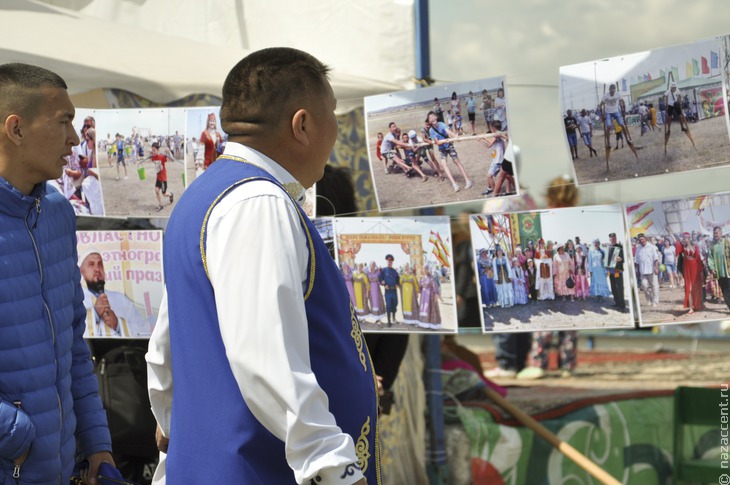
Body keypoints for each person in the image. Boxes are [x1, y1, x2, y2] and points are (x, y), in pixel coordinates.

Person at [146, 48, 378, 484]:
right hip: (255, 470)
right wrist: (332, 466)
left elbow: (166, 342)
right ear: (303, 124)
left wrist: (172, 418)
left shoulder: (206, 194)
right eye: (333, 114)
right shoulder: (258, 202)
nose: (336, 129)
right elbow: (265, 355)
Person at [0, 62, 113, 483]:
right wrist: (16, 435)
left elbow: (72, 344)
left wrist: (97, 445)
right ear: (16, 128)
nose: (73, 138)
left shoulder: (58, 212)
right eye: (64, 121)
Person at [79, 251, 149, 337]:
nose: (97, 269)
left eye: (100, 264)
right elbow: (71, 330)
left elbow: (145, 330)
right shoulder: (76, 299)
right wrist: (95, 313)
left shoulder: (120, 299)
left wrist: (118, 324)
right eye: (91, 264)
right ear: (81, 271)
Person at [427, 110, 473, 192]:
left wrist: (455, 136)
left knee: (457, 161)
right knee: (443, 164)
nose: (432, 118)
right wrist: (444, 141)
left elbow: (448, 132)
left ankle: (468, 180)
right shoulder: (431, 130)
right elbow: (437, 142)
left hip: (449, 146)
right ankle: (454, 184)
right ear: (429, 121)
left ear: (436, 117)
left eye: (433, 116)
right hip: (442, 148)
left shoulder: (441, 124)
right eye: (430, 117)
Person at [667, 230, 704, 314]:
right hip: (687, 269)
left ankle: (697, 304)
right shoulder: (683, 247)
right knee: (689, 288)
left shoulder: (695, 247)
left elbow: (698, 259)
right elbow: (676, 241)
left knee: (696, 287)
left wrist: (701, 271)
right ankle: (691, 308)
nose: (684, 240)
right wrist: (670, 233)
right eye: (683, 238)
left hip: (695, 268)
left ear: (689, 238)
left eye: (686, 238)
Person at [137, 142, 175, 212]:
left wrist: (169, 152)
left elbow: (173, 160)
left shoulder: (162, 157)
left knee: (164, 194)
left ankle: (171, 194)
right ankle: (160, 205)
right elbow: (149, 158)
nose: (153, 151)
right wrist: (149, 152)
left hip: (163, 179)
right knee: (156, 191)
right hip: (158, 178)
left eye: (154, 150)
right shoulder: (153, 157)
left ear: (158, 150)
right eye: (153, 150)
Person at [635, 233, 660, 308]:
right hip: (642, 271)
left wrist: (656, 268)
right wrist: (638, 271)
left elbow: (656, 259)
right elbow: (637, 261)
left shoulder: (652, 247)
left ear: (645, 239)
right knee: (644, 286)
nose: (641, 241)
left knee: (654, 286)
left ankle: (655, 301)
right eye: (639, 240)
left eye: (642, 239)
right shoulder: (638, 248)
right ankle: (649, 299)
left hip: (651, 270)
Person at [708, 226, 730, 311]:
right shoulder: (712, 245)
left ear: (721, 233)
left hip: (728, 270)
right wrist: (712, 268)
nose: (715, 235)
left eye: (717, 233)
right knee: (724, 290)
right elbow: (710, 258)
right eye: (714, 233)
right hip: (718, 271)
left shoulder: (727, 242)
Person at [606, 232, 626, 310]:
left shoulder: (620, 247)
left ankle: (622, 304)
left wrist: (620, 259)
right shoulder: (608, 247)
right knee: (613, 288)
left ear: (616, 238)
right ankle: (617, 303)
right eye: (612, 238)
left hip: (618, 271)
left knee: (619, 288)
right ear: (609, 239)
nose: (613, 239)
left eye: (614, 238)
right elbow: (607, 259)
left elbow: (623, 259)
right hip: (610, 271)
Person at [418, 264, 442, 330]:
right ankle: (424, 323)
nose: (425, 270)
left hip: (429, 296)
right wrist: (418, 291)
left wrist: (436, 294)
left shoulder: (431, 278)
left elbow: (434, 286)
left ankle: (431, 325)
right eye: (424, 269)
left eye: (426, 269)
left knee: (429, 309)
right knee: (423, 308)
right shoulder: (422, 278)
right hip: (423, 296)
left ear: (428, 270)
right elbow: (420, 287)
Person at [380, 254, 400, 326]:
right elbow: (380, 279)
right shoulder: (384, 270)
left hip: (394, 291)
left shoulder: (395, 271)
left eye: (391, 261)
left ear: (392, 262)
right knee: (388, 305)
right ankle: (389, 321)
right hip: (388, 291)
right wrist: (384, 284)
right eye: (388, 261)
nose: (389, 262)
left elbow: (398, 280)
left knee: (395, 304)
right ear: (387, 261)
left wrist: (397, 284)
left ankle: (393, 317)